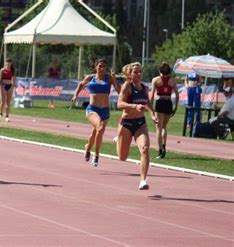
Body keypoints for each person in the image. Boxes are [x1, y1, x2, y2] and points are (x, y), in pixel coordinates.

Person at [116, 62, 158, 190]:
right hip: (126, 124)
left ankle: (142, 180)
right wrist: (134, 106)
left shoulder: (145, 88)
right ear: (130, 74)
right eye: (135, 72)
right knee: (122, 157)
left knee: (145, 148)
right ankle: (117, 140)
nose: (139, 74)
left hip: (140, 123)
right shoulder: (127, 87)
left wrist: (152, 114)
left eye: (140, 72)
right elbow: (119, 104)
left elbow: (148, 103)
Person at [72, 59, 120, 166]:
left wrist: (114, 79)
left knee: (96, 132)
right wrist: (75, 95)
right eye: (100, 66)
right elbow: (80, 85)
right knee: (100, 127)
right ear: (95, 67)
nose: (102, 68)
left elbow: (119, 91)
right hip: (92, 109)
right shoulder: (90, 78)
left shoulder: (109, 79)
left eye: (104, 67)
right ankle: (96, 156)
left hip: (105, 110)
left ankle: (88, 148)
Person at [150, 62, 179, 159]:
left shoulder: (156, 80)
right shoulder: (173, 80)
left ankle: (160, 150)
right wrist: (175, 108)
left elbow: (152, 95)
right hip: (168, 102)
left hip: (160, 102)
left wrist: (151, 109)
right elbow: (177, 96)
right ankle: (164, 147)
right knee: (164, 127)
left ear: (159, 70)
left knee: (158, 127)